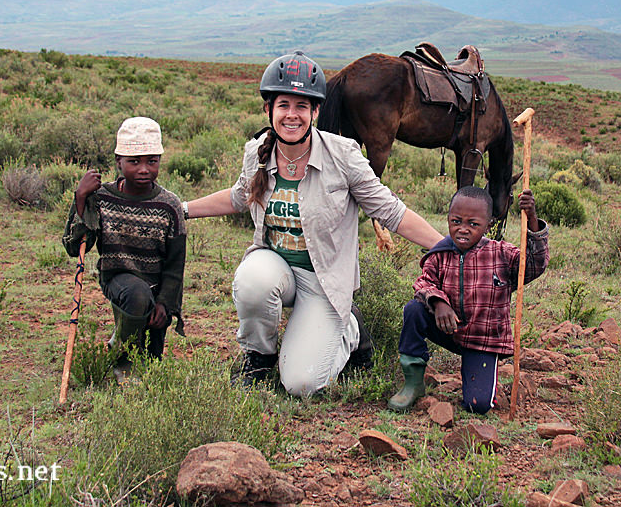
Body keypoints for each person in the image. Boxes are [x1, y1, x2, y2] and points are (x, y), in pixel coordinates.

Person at [184, 51, 444, 397]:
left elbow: (391, 211)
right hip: (276, 266)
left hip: (323, 282)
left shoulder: (343, 156)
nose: (292, 115)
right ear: (269, 110)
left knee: (303, 385)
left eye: (302, 107)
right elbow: (238, 196)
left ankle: (348, 330)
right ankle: (260, 356)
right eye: (283, 105)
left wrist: (447, 246)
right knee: (252, 280)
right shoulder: (258, 151)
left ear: (316, 112)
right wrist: (182, 208)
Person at [388, 185, 548, 413]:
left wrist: (531, 219)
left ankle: (477, 374)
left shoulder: (501, 254)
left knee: (478, 406)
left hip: (482, 340)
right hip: (449, 330)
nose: (463, 229)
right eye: (456, 221)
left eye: (473, 224)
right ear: (448, 219)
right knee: (414, 309)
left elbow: (533, 264)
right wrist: (438, 301)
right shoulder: (441, 253)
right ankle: (413, 383)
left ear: (489, 225)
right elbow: (424, 283)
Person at [62, 117, 186, 379]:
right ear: (118, 161)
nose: (144, 169)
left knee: (151, 360)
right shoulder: (103, 198)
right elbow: (75, 246)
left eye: (152, 161)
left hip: (157, 284)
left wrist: (166, 303)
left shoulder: (169, 206)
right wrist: (81, 197)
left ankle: (123, 341)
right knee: (137, 295)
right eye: (134, 162)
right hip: (117, 276)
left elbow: (176, 264)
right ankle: (120, 360)